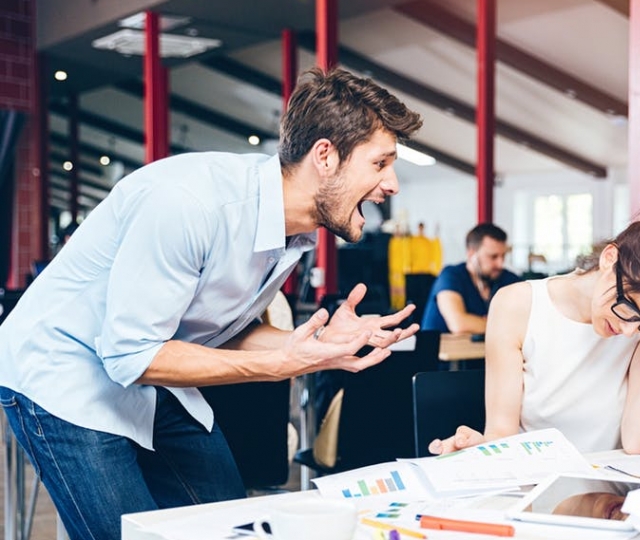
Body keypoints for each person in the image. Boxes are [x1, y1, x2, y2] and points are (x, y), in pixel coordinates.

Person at [0, 67, 423, 540]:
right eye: (381, 163)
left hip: (150, 364)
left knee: (229, 527)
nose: (393, 184)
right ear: (325, 155)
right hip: (65, 368)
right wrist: (279, 365)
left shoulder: (292, 229)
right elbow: (129, 353)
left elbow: (227, 330)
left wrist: (316, 342)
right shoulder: (192, 205)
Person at [429, 190, 640, 456]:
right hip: (538, 491)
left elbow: (637, 441)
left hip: (612, 499)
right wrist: (477, 449)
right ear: (609, 258)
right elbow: (501, 433)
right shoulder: (517, 305)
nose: (630, 331)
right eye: (629, 309)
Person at [420, 223, 521, 334]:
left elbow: (527, 323)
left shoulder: (508, 279)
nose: (500, 264)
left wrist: (481, 323)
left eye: (503, 256)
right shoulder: (450, 275)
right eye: (493, 257)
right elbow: (459, 324)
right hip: (445, 350)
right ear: (471, 253)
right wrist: (504, 325)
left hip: (482, 351)